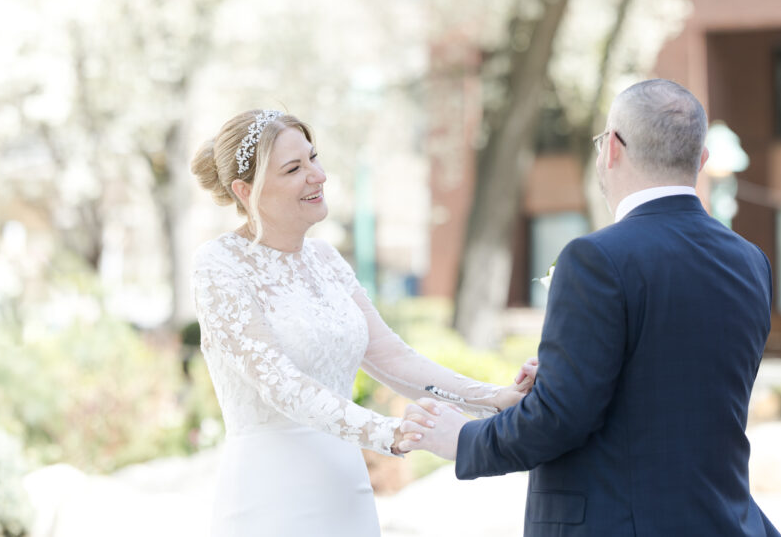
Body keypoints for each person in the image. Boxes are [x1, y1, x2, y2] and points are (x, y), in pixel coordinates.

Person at [399, 79, 781, 536]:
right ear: (701, 161)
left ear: (612, 150)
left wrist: (461, 439)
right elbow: (680, 386)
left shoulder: (598, 257)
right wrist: (567, 369)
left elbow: (559, 420)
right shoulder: (749, 260)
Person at [189, 109, 536, 537]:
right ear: (246, 191)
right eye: (294, 168)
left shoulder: (326, 260)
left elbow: (393, 358)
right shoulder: (219, 264)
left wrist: (493, 398)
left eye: (313, 158)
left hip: (346, 490)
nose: (318, 175)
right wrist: (386, 431)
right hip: (271, 495)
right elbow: (280, 384)